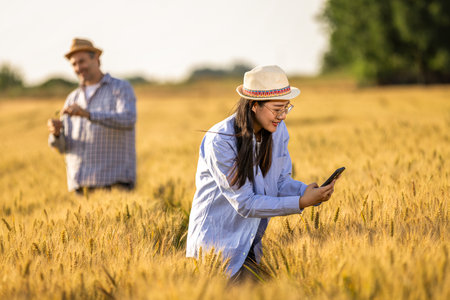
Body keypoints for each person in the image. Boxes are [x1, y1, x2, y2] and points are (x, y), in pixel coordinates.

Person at [186, 65, 338, 281]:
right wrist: (301, 202)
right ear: (254, 105)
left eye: (287, 108)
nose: (283, 116)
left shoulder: (278, 131)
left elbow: (280, 182)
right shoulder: (221, 140)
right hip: (218, 251)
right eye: (277, 109)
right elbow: (245, 204)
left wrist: (308, 191)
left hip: (251, 246)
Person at [47, 38, 137, 194]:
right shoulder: (72, 98)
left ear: (96, 59)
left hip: (114, 183)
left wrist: (88, 114)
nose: (78, 68)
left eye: (82, 61)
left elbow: (128, 119)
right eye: (74, 64)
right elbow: (63, 148)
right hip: (80, 185)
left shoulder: (120, 88)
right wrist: (56, 134)